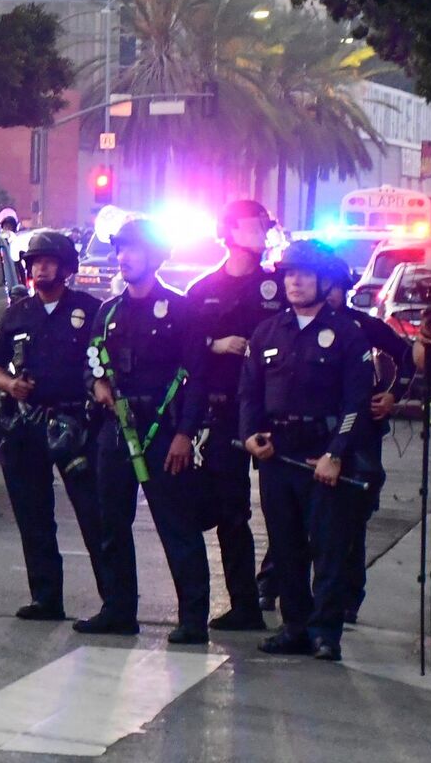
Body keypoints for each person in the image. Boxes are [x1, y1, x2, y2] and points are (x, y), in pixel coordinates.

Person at [76, 217, 212, 645]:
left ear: (153, 256)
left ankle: (192, 618)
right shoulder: (108, 311)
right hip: (117, 431)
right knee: (111, 525)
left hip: (163, 431)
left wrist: (185, 435)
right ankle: (118, 609)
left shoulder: (181, 309)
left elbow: (198, 377)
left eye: (133, 249)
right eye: (120, 249)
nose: (124, 257)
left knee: (177, 526)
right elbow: (91, 364)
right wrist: (96, 385)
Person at [237, 239, 375, 662]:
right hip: (277, 454)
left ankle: (325, 633)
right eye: (289, 274)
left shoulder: (348, 334)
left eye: (304, 274)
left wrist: (337, 453)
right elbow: (248, 392)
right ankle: (294, 627)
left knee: (329, 548)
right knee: (285, 545)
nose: (294, 282)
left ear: (323, 280)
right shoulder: (268, 331)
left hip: (324, 455)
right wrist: (249, 434)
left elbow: (356, 403)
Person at [0, 227, 107, 622]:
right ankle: (45, 598)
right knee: (33, 515)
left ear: (67, 268)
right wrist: (10, 385)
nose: (42, 268)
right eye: (36, 262)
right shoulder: (17, 313)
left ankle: (114, 603)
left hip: (76, 424)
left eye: (50, 261)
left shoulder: (89, 310)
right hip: (26, 426)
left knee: (94, 515)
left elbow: (106, 361)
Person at [184, 199, 282, 632]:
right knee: (230, 510)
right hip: (222, 414)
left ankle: (287, 595)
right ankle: (244, 602)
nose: (262, 231)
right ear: (229, 231)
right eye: (253, 224)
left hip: (276, 412)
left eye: (264, 224)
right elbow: (180, 351)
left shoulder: (280, 287)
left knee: (286, 511)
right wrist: (215, 345)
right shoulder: (204, 289)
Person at [327, 267, 411, 624]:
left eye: (334, 287)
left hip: (360, 432)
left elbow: (406, 356)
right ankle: (276, 584)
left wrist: (393, 394)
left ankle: (347, 597)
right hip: (310, 431)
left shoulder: (362, 326)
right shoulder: (293, 327)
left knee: (352, 515)